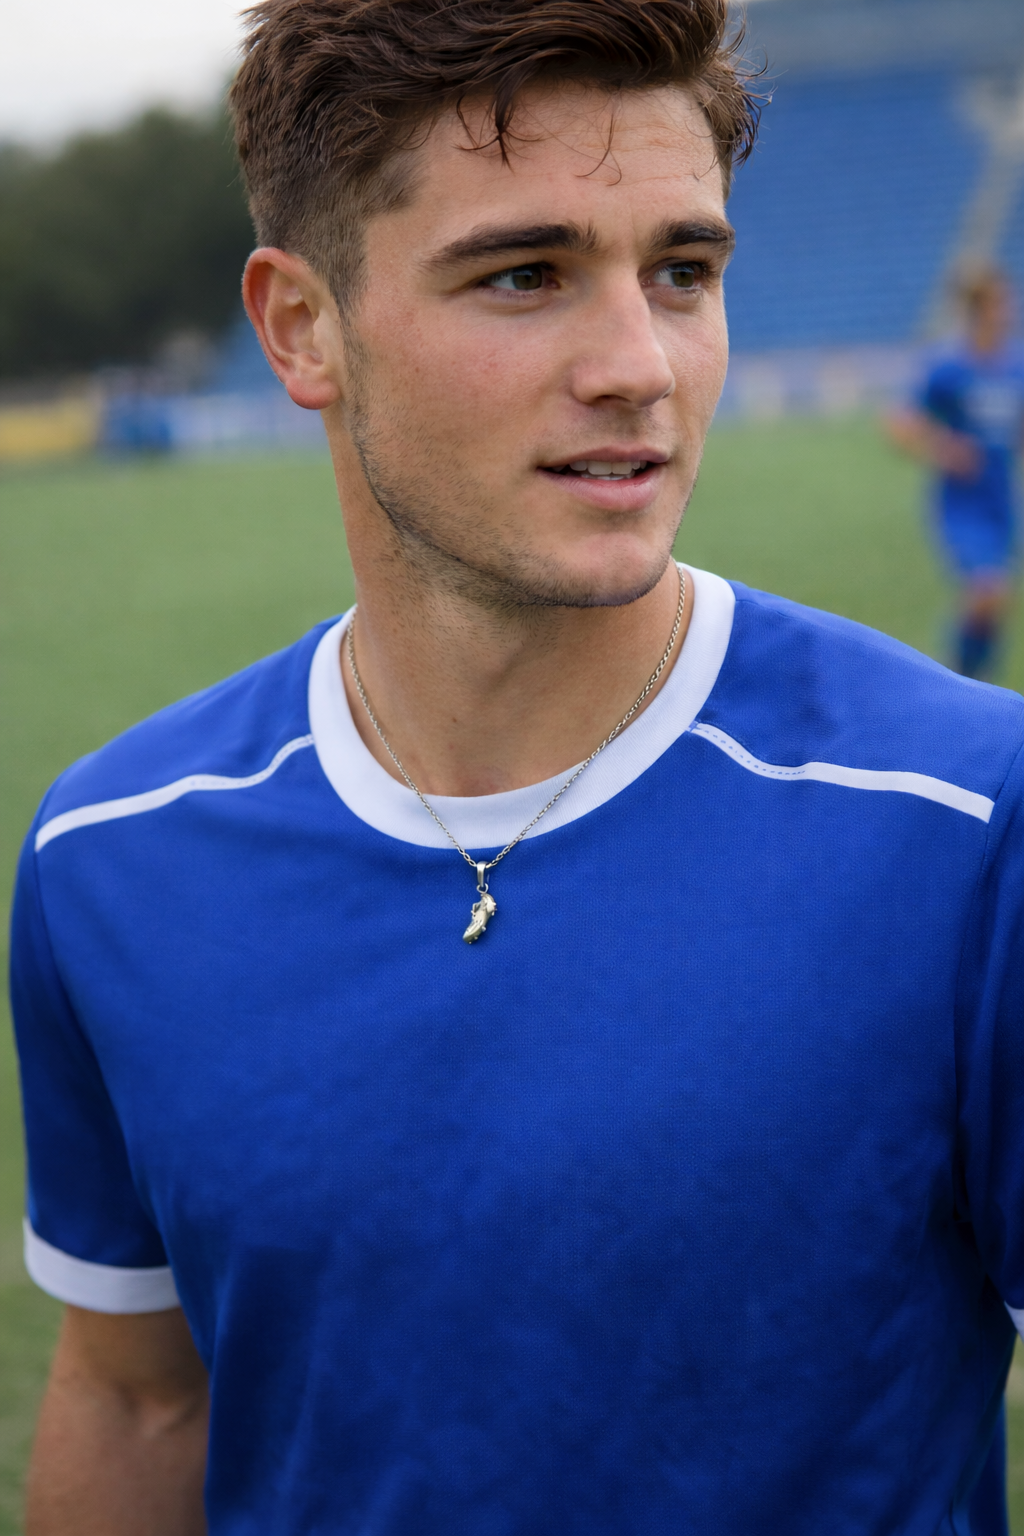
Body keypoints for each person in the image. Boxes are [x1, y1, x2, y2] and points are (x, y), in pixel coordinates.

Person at [10, 3, 1024, 1532]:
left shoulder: (970, 824)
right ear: (301, 328)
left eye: (682, 272)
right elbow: (140, 1396)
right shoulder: (113, 854)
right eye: (525, 274)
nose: (640, 365)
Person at [888, 267, 1024, 679]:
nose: (1010, 310)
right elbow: (900, 425)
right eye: (1000, 303)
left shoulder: (1015, 366)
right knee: (986, 590)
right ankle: (953, 673)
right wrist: (946, 449)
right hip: (963, 504)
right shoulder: (951, 367)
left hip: (1002, 499)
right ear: (978, 310)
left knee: (995, 600)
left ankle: (979, 684)